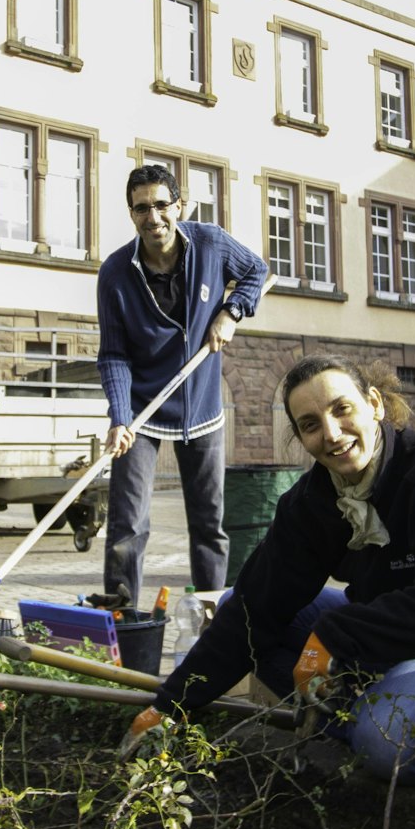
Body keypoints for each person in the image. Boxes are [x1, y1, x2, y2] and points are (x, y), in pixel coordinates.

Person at [121, 355, 415, 786]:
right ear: (302, 438)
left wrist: (335, 636)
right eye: (310, 424)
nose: (332, 434)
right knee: (238, 609)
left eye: (342, 409)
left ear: (374, 404)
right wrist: (170, 706)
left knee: (387, 741)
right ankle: (362, 717)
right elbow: (254, 610)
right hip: (402, 646)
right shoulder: (312, 503)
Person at [96, 163, 267, 609]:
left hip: (203, 409)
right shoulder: (115, 274)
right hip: (142, 413)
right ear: (131, 214)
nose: (153, 218)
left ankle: (211, 615)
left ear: (180, 206)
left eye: (160, 205)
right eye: (141, 209)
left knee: (209, 524)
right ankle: (121, 620)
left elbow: (257, 270)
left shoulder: (209, 243)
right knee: (127, 526)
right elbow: (113, 354)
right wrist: (119, 417)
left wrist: (232, 312)